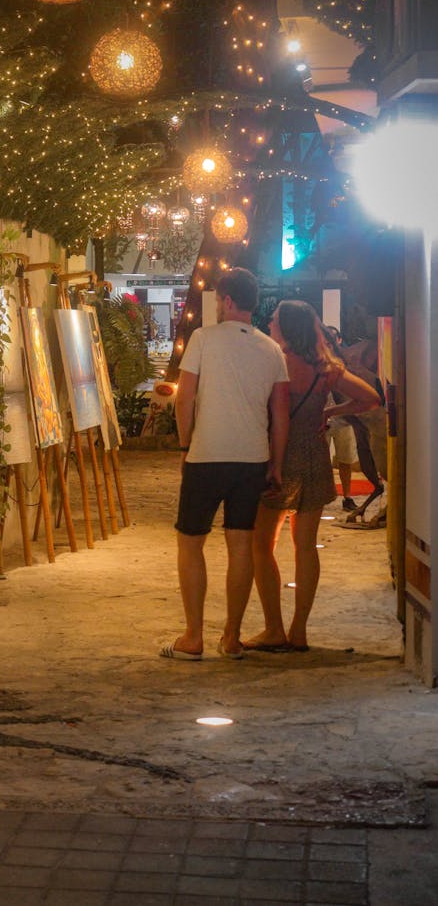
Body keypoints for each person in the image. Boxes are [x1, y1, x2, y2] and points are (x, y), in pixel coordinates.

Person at [161, 268, 290, 661]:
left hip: (206, 454)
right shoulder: (271, 349)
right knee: (241, 545)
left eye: (219, 299)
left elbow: (185, 398)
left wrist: (185, 446)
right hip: (252, 457)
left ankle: (193, 637)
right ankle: (231, 637)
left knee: (191, 542)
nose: (217, 305)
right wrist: (276, 464)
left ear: (228, 300)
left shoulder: (203, 339)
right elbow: (280, 413)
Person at [244, 301, 381, 653]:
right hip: (315, 456)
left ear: (287, 328)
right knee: (305, 546)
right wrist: (332, 410)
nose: (270, 325)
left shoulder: (275, 363)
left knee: (262, 544)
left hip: (280, 456)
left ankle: (273, 628)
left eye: (273, 321)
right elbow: (370, 398)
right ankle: (299, 630)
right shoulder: (325, 368)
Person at [323, 327, 358, 512]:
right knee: (321, 459)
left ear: (338, 339)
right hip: (323, 416)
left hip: (343, 417)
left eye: (332, 338)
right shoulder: (316, 359)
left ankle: (347, 496)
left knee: (346, 458)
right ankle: (321, 496)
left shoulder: (347, 360)